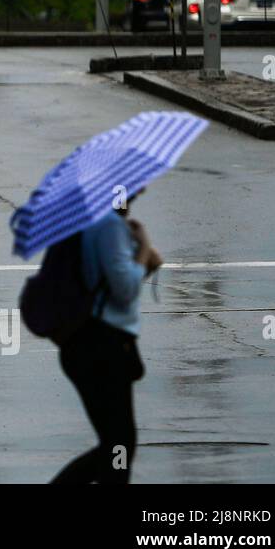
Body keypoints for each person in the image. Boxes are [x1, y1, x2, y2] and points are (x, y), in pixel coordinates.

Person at [52, 191, 163, 484]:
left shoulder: (93, 223)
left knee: (115, 443)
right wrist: (144, 248)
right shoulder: (110, 226)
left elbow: (106, 280)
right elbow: (124, 289)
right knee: (119, 443)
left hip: (86, 345)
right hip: (102, 346)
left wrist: (142, 259)